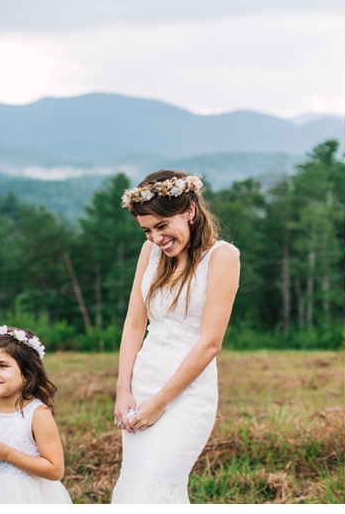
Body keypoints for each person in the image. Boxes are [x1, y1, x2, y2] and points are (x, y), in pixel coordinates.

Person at [111, 171, 240, 504]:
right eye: (148, 230)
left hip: (186, 394)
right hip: (142, 386)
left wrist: (161, 402)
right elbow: (134, 324)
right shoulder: (150, 253)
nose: (156, 238)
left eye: (162, 226)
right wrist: (123, 388)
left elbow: (211, 342)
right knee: (136, 485)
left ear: (190, 211)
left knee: (151, 487)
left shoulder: (222, 257)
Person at [0, 325, 72, 504]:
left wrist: (8, 455)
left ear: (27, 374)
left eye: (2, 366)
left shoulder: (37, 414)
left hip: (28, 496)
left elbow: (55, 470)